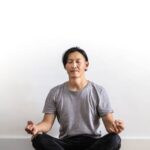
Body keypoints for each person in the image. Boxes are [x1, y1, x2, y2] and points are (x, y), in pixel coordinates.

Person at [25, 47, 124, 150]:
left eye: (78, 61)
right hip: (65, 144)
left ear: (86, 65)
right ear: (65, 66)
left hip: (93, 143)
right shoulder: (55, 92)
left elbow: (109, 124)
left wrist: (115, 126)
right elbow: (47, 123)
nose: (74, 65)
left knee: (114, 139)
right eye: (70, 62)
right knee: (38, 138)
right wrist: (36, 128)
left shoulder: (99, 91)